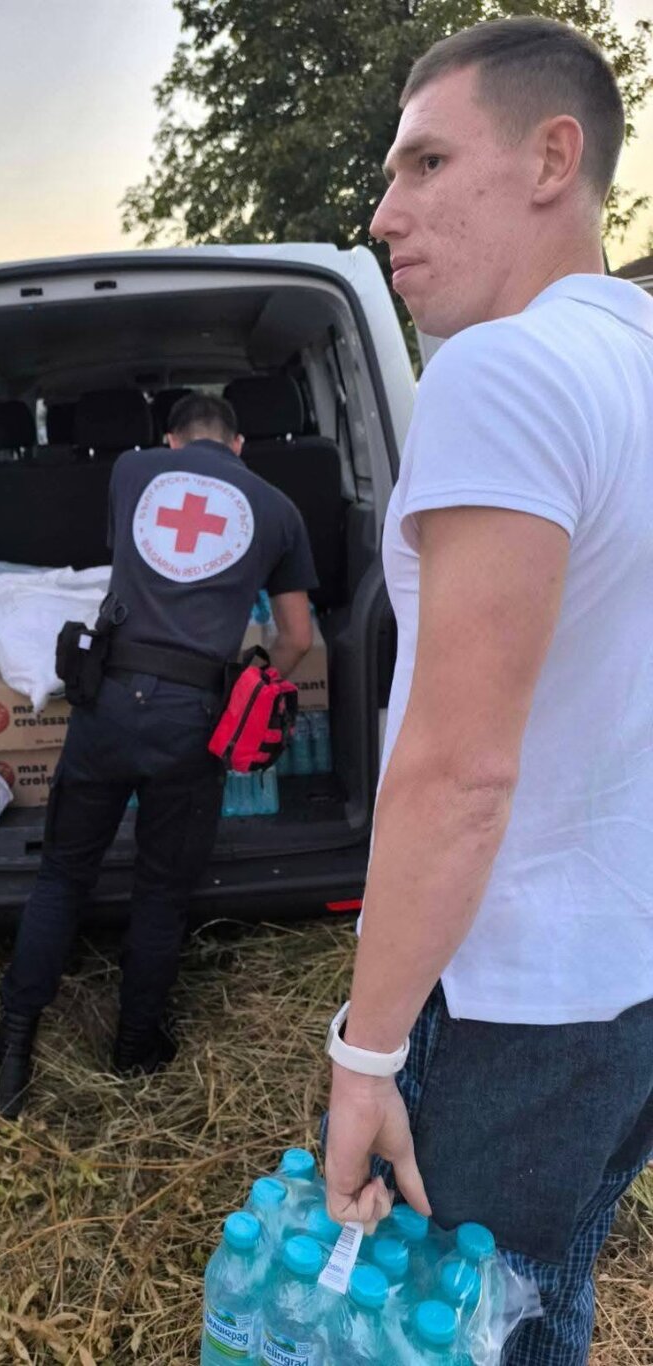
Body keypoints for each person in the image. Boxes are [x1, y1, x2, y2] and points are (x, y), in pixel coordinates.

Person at [320, 18, 653, 1365]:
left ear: (551, 158)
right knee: (542, 1292)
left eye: (426, 162)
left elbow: (460, 770)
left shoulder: (504, 370)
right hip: (628, 970)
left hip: (526, 980)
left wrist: (367, 1049)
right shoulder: (633, 358)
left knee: (460, 1327)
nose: (385, 214)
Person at [0, 392, 318, 1117]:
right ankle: (135, 1048)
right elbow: (298, 638)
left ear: (171, 439)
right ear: (240, 445)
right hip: (194, 719)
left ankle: (11, 1057)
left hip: (108, 705)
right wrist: (249, 682)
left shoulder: (133, 470)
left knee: (63, 875)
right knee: (161, 889)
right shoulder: (278, 509)